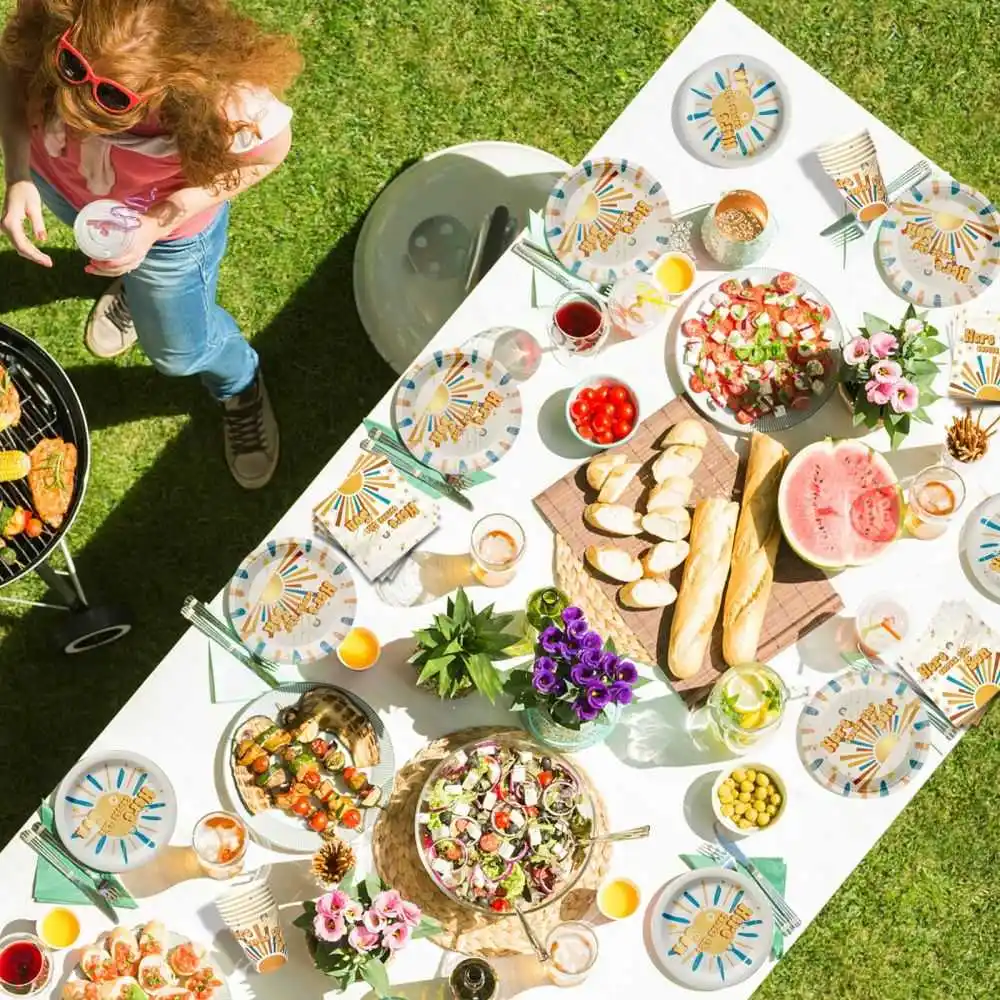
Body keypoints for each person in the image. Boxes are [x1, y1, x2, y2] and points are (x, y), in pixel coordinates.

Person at [0, 0, 300, 488]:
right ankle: (132, 286)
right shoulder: (56, 10)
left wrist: (158, 224)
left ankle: (238, 385)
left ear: (173, 77)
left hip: (165, 236)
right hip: (57, 182)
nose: (74, 114)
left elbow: (267, 154)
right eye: (68, 68)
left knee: (179, 353)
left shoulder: (226, 100)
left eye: (113, 103)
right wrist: (18, 173)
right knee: (112, 256)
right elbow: (11, 67)